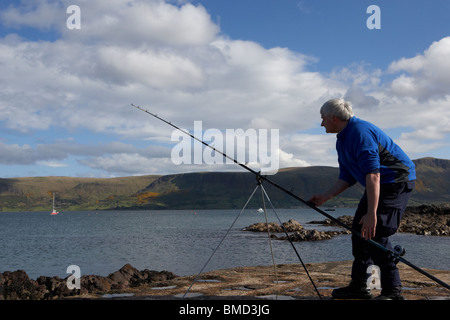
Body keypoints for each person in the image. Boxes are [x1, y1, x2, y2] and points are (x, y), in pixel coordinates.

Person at [309, 98, 416, 300]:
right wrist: (324, 197)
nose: (322, 123)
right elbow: (347, 177)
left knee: (376, 234)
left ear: (333, 118)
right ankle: (359, 286)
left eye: (323, 119)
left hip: (395, 182)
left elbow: (373, 174)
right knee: (359, 233)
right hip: (379, 184)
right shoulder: (342, 138)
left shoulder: (360, 132)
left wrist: (372, 214)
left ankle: (393, 292)